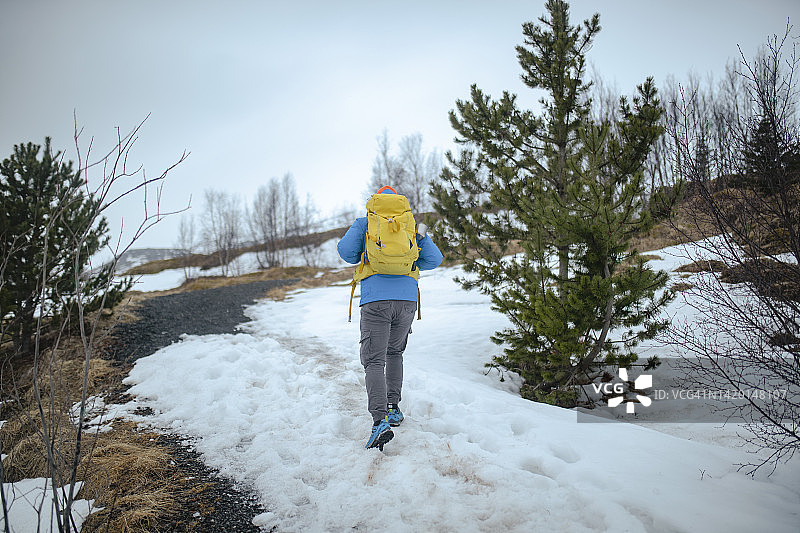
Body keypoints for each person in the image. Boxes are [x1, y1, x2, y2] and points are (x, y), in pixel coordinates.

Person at [337, 185, 443, 450]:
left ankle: (379, 421)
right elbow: (435, 259)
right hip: (407, 300)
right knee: (394, 353)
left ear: (376, 202)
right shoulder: (410, 224)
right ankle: (393, 408)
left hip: (376, 300)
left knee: (374, 360)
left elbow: (346, 252)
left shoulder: (366, 222)